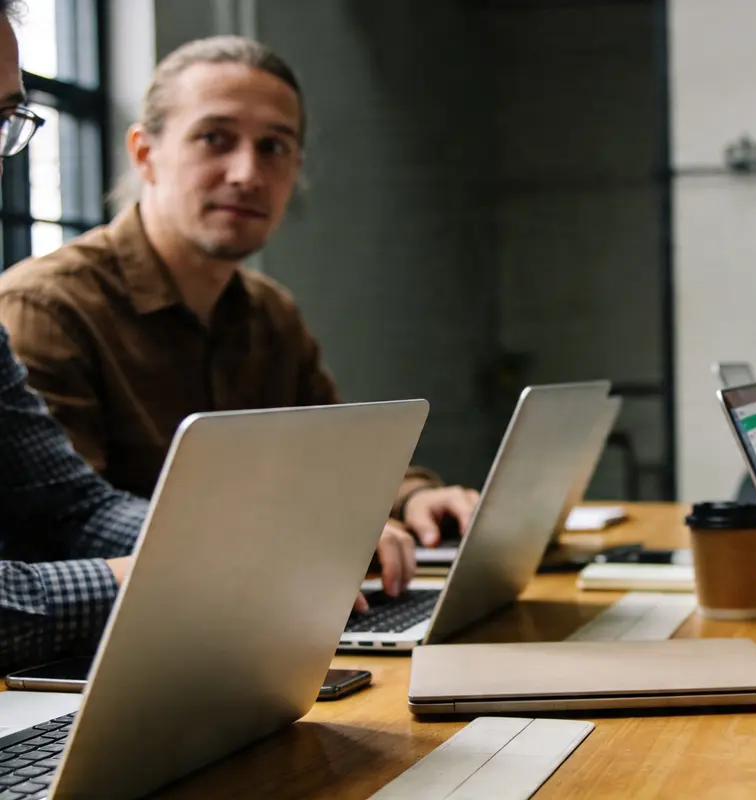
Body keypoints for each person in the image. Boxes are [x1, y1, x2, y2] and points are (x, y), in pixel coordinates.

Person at [0, 36, 479, 593]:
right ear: (144, 154)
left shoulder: (270, 313)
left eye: (274, 147)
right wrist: (260, 551)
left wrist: (415, 496)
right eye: (214, 139)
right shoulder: (42, 309)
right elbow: (52, 535)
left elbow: (338, 464)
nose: (247, 173)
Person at [0, 0, 151, 673]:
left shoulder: (273, 310)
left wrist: (232, 546)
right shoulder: (40, 300)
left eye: (3, 118)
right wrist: (144, 579)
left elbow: (68, 507)